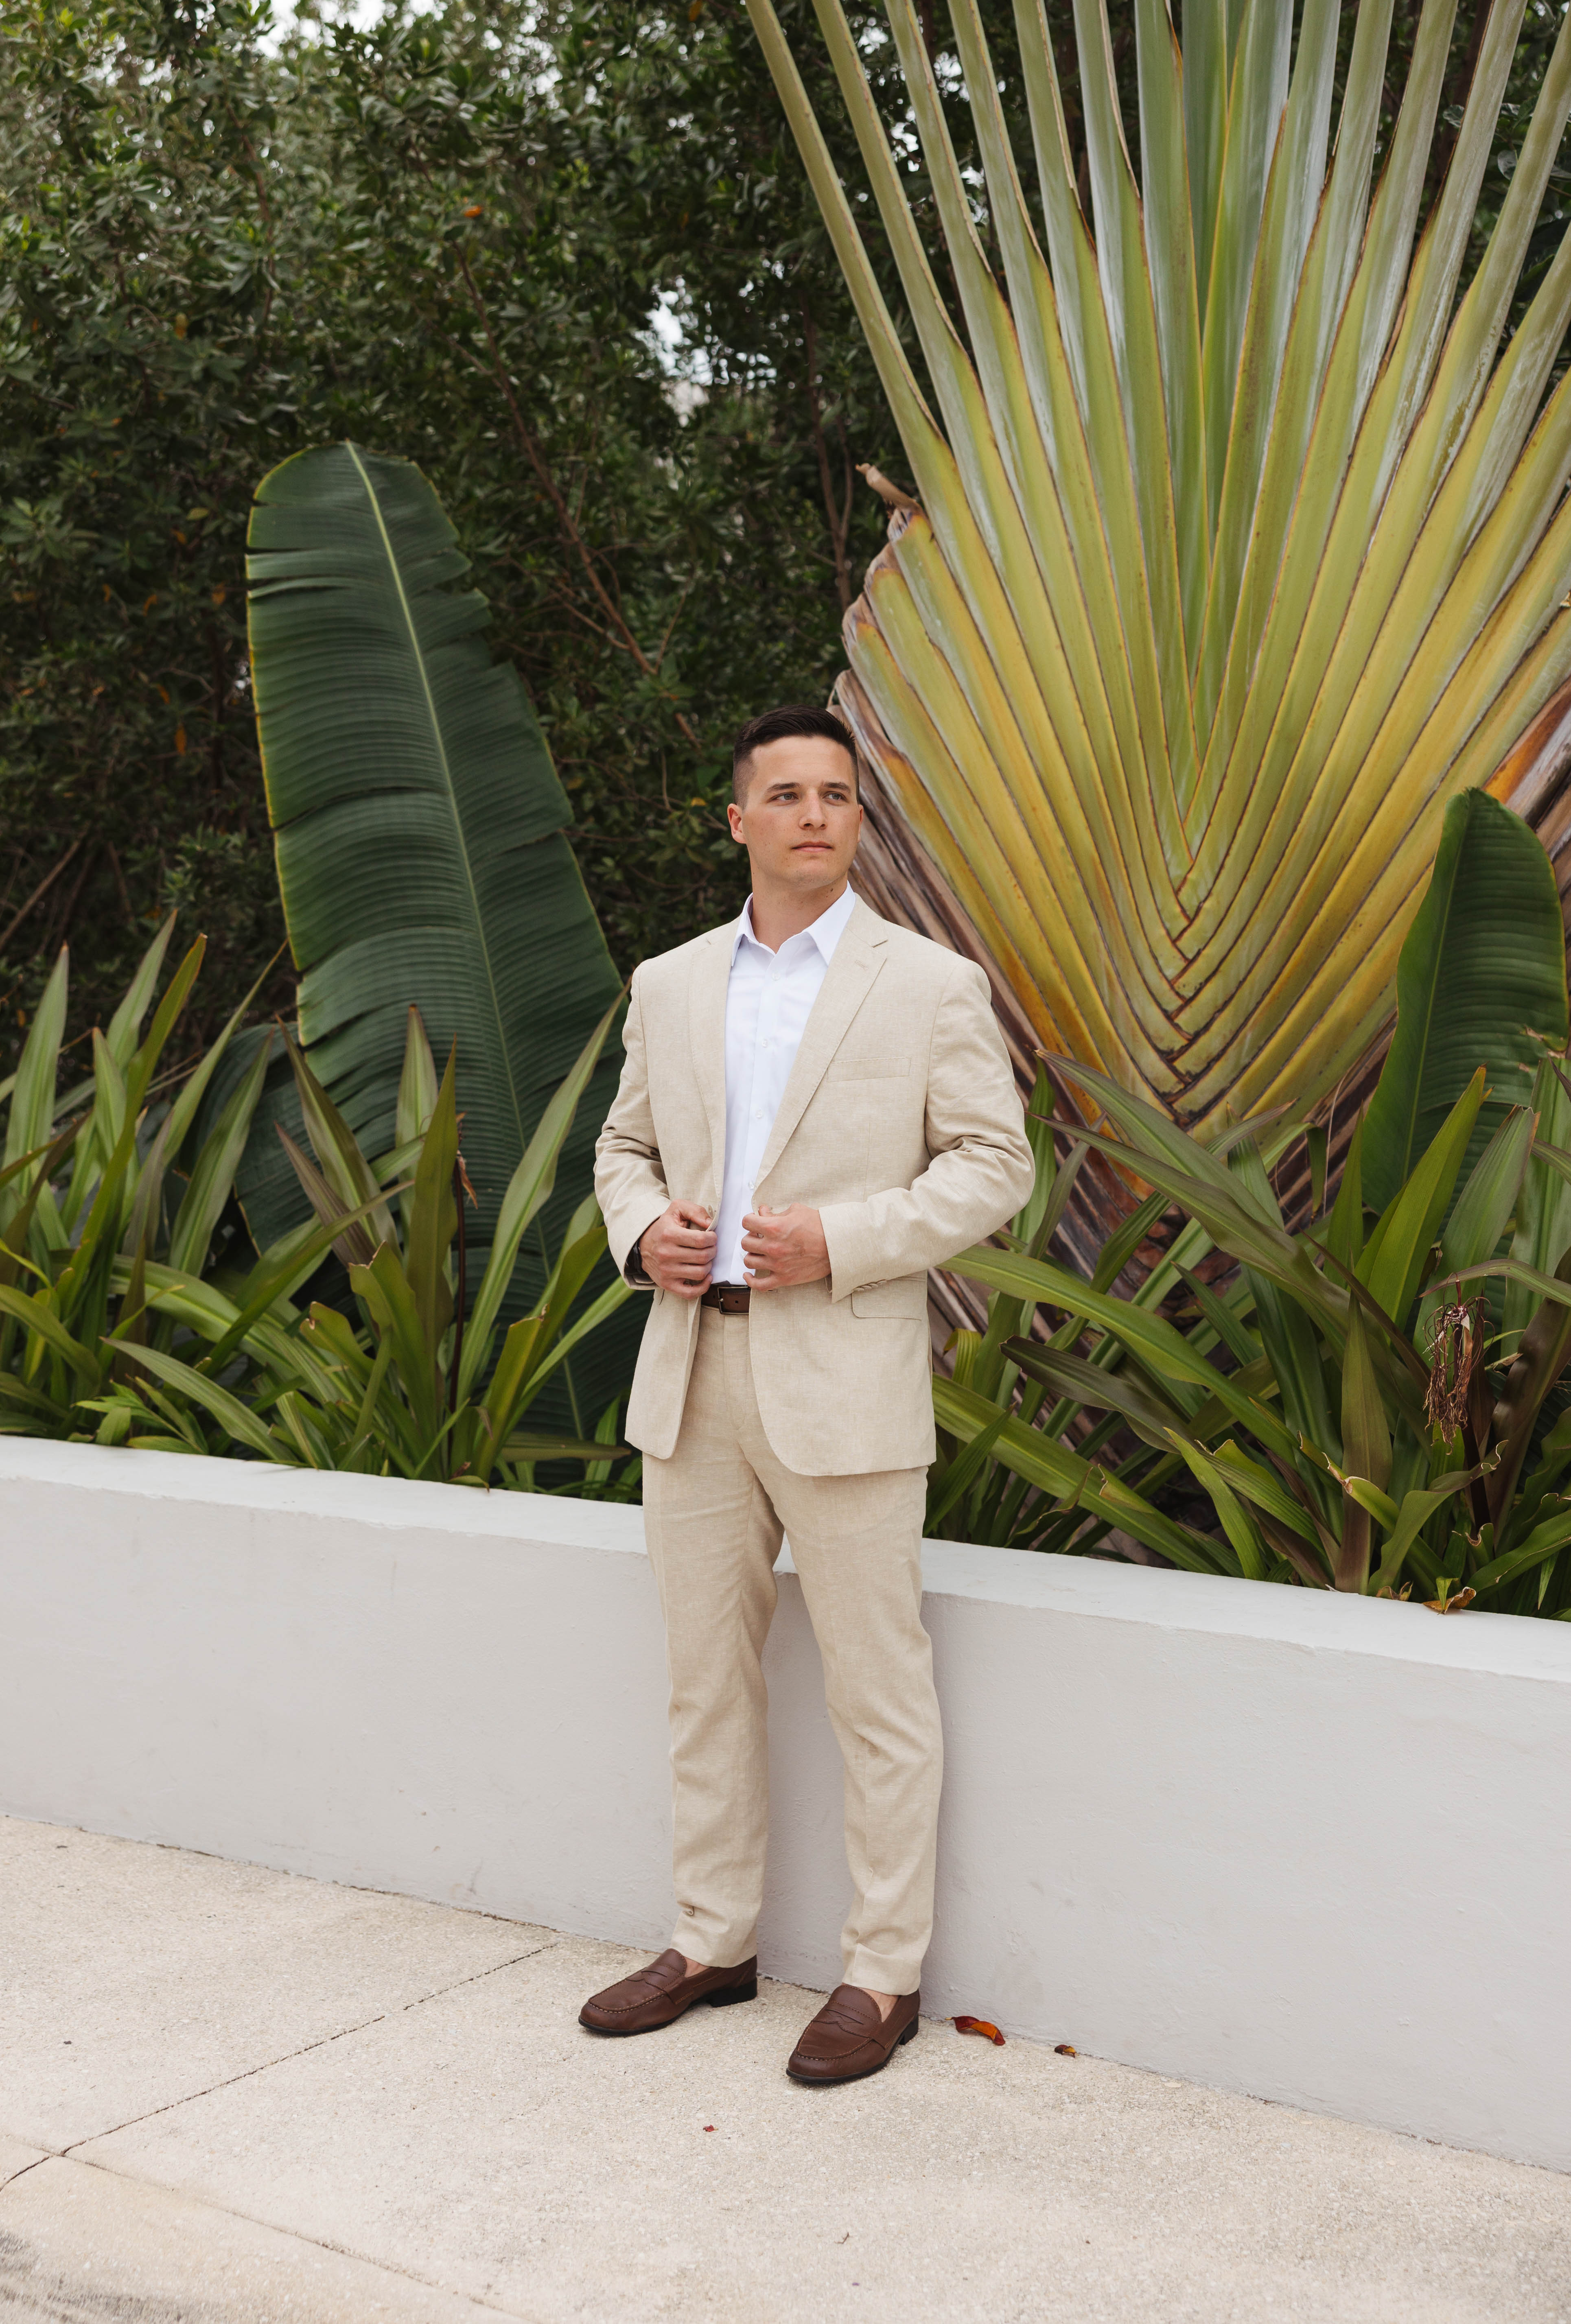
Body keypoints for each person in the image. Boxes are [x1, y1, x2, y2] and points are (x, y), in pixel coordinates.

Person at [585, 704, 1035, 2085]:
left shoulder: (929, 986)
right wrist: (640, 1228)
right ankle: (712, 1941)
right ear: (738, 822)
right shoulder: (667, 983)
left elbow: (990, 1166)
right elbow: (621, 1144)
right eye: (783, 795)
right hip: (693, 1373)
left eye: (835, 795)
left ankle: (880, 1972)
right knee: (702, 1684)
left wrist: (842, 1240)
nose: (812, 815)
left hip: (842, 1378)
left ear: (858, 819)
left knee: (875, 1691)